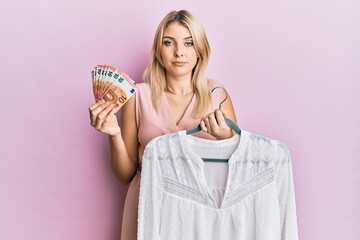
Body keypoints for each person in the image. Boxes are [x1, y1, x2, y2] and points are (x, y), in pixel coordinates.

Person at [89, 10, 237, 240]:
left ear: (200, 49)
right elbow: (125, 175)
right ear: (158, 49)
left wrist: (226, 136)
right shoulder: (137, 96)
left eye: (188, 43)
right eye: (169, 42)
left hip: (203, 213)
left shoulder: (218, 94)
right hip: (149, 206)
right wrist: (114, 134)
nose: (179, 52)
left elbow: (239, 166)